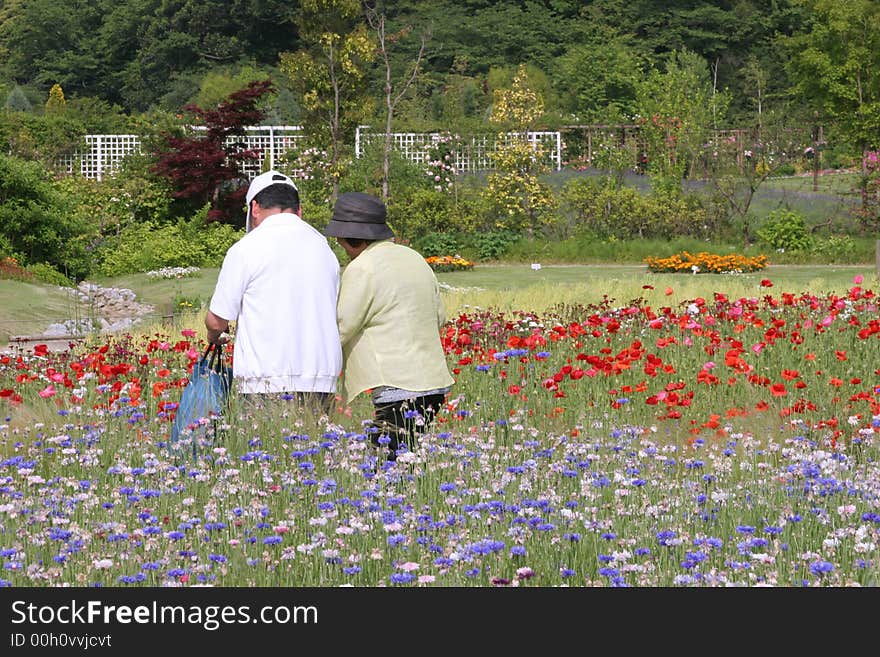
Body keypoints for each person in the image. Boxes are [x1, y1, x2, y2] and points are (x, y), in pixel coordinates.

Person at [324, 191, 454, 460]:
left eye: (342, 244)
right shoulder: (414, 258)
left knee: (386, 467)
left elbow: (342, 326)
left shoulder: (363, 268)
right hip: (434, 383)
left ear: (349, 239)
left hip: (396, 384)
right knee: (408, 457)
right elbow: (439, 316)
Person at [205, 170, 342, 416]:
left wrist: (215, 335)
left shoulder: (246, 248)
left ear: (254, 208)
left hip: (265, 380)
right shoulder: (324, 248)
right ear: (298, 210)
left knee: (265, 452)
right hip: (321, 378)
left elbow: (216, 320)